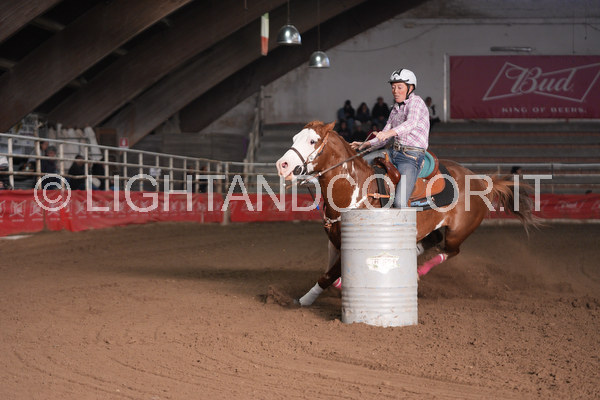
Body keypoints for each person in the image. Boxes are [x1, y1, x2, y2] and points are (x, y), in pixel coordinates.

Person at [351, 68, 430, 208]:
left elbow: (411, 123)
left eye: (400, 87)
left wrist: (388, 133)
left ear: (410, 88)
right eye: (393, 87)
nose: (395, 91)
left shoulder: (416, 102)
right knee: (359, 163)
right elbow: (385, 135)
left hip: (411, 156)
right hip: (393, 152)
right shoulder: (395, 108)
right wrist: (366, 144)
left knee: (399, 203)